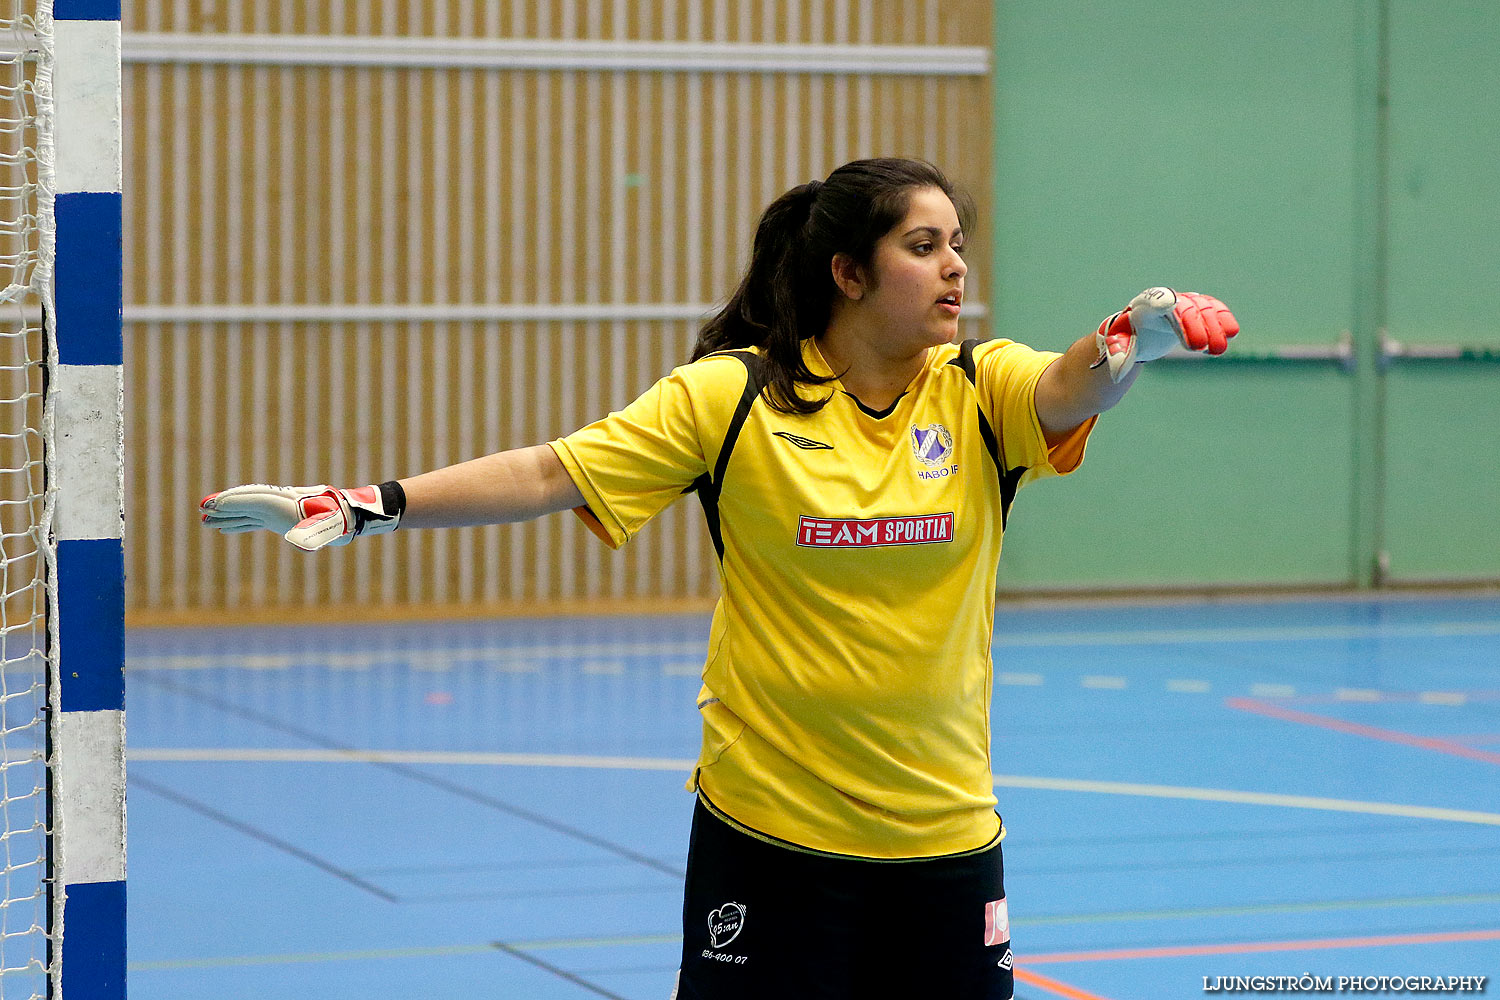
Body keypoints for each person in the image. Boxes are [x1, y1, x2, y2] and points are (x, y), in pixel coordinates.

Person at [201, 157, 1237, 999]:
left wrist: (1126, 338)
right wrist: (373, 502)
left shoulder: (977, 390)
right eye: (923, 247)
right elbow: (552, 470)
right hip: (770, 840)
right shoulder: (734, 397)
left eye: (958, 245)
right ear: (849, 272)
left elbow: (1068, 385)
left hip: (946, 842)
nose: (955, 268)